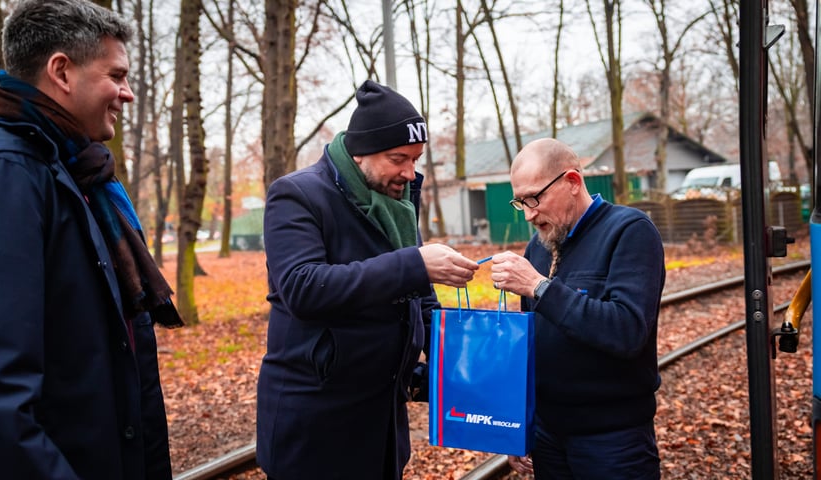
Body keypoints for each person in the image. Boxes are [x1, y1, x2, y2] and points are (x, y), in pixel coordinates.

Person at [0, 1, 182, 478]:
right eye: (116, 75)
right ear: (61, 72)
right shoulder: (7, 176)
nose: (127, 93)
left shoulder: (78, 174)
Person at [256, 79, 479, 480]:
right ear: (361, 152)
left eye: (416, 159)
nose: (409, 173)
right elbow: (303, 287)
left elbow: (419, 298)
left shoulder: (396, 201)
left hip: (383, 417)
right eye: (398, 159)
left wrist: (465, 358)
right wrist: (415, 264)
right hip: (317, 425)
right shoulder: (296, 195)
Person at [490, 138, 664, 479]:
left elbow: (627, 331)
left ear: (572, 181)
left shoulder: (629, 231)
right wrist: (518, 425)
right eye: (520, 202)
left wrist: (539, 287)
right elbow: (530, 344)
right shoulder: (538, 246)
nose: (529, 214)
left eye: (535, 198)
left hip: (613, 440)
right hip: (547, 435)